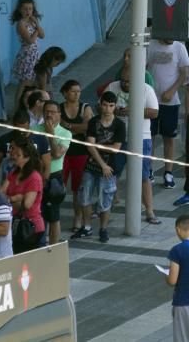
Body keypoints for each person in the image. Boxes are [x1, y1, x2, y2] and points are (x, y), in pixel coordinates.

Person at [106, 68, 163, 225]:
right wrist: (114, 110)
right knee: (112, 172)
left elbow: (154, 112)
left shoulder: (146, 89)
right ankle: (105, 207)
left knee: (143, 175)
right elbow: (101, 105)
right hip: (118, 137)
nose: (124, 84)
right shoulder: (112, 87)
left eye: (128, 82)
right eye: (123, 81)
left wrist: (133, 111)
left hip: (141, 137)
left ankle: (149, 211)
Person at [75, 91, 126, 242]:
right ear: (100, 104)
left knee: (105, 201)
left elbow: (115, 149)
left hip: (109, 169)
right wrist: (102, 163)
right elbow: (90, 147)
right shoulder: (93, 122)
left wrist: (97, 145)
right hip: (92, 167)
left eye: (111, 106)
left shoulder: (119, 125)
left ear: (115, 106)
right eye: (105, 105)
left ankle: (103, 229)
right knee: (84, 197)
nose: (107, 109)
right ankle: (87, 227)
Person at [147, 37, 189, 189]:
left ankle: (168, 172)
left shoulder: (179, 46)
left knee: (169, 137)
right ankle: (149, 169)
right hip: (151, 101)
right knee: (149, 136)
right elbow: (143, 67)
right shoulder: (150, 45)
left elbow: (185, 71)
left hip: (170, 101)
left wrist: (172, 91)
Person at [59, 79, 92, 234]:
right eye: (73, 91)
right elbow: (56, 126)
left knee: (78, 188)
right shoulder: (58, 108)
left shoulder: (85, 107)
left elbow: (88, 127)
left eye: (79, 91)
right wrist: (76, 130)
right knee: (58, 185)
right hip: (62, 152)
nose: (77, 94)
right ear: (65, 93)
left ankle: (77, 218)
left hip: (80, 152)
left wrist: (69, 127)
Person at [4, 136, 45, 253]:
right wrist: (18, 198)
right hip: (16, 224)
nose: (11, 153)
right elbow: (2, 193)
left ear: (25, 155)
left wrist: (12, 199)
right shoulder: (13, 173)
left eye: (14, 150)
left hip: (30, 227)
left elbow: (27, 204)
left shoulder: (34, 177)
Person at [37, 100, 70, 244]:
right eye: (46, 112)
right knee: (38, 212)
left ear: (59, 115)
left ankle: (54, 246)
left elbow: (57, 154)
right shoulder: (33, 129)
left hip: (54, 178)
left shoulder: (65, 133)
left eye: (53, 112)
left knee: (53, 215)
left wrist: (51, 135)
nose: (49, 115)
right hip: (36, 175)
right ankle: (39, 244)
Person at [0, 110, 51, 182]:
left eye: (24, 128)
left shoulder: (41, 139)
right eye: (19, 129)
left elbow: (47, 166)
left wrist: (43, 183)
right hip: (8, 181)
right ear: (13, 125)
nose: (21, 132)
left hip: (32, 182)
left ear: (29, 124)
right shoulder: (3, 139)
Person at [11, 0, 45, 106]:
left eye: (30, 9)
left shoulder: (32, 21)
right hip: (27, 55)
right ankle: (16, 107)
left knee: (34, 82)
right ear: (20, 10)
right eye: (25, 9)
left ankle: (30, 106)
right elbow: (30, 40)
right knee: (24, 83)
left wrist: (37, 24)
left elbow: (43, 35)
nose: (28, 11)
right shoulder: (21, 24)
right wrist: (36, 29)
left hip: (35, 55)